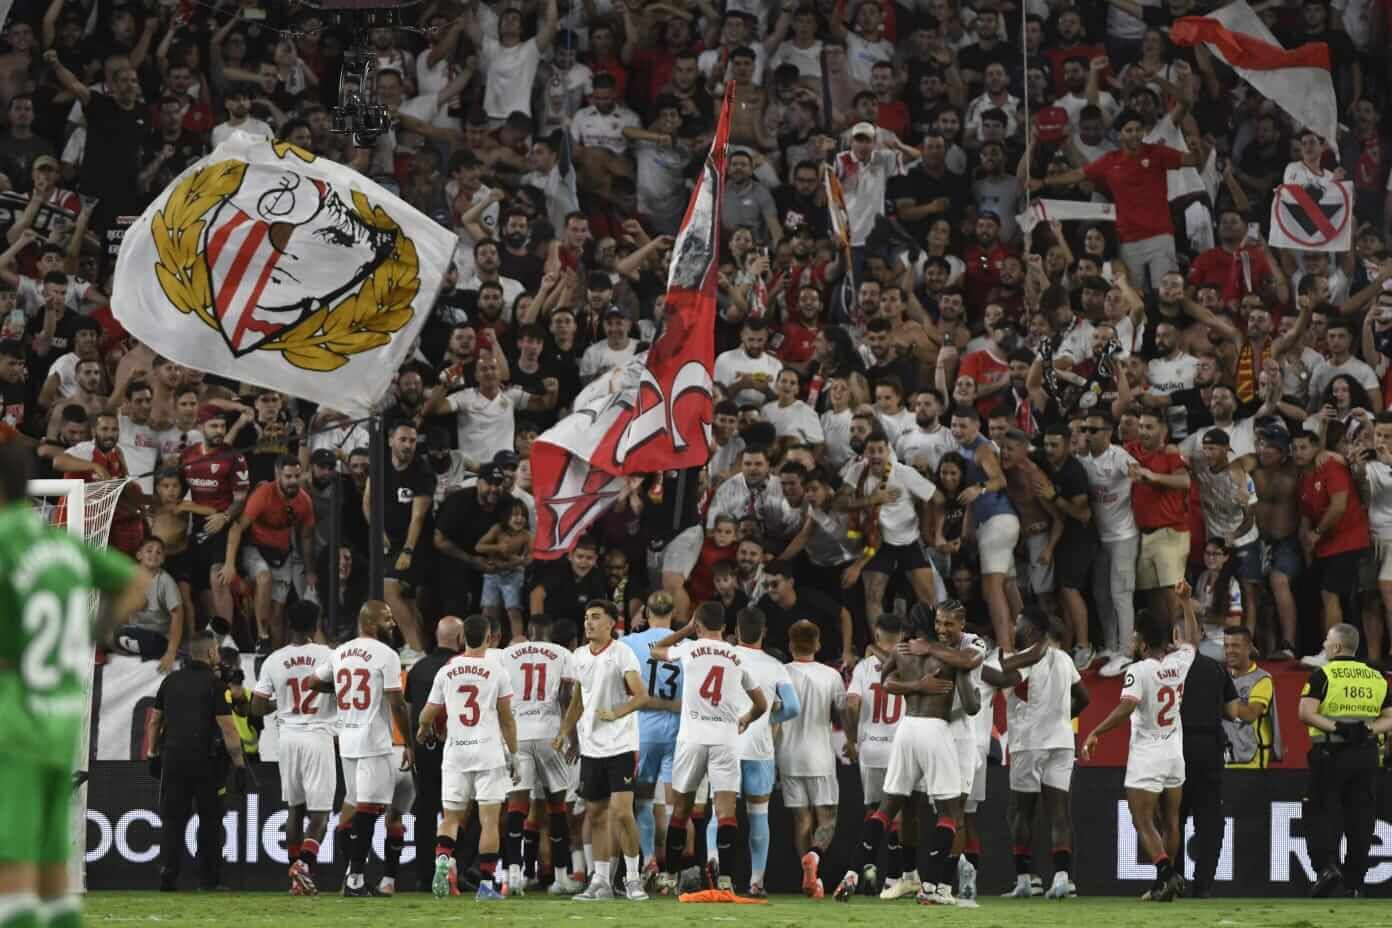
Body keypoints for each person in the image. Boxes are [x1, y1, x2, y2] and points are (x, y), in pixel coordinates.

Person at [0, 443, 145, 921]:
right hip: (63, 710)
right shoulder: (60, 544)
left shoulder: (4, 542)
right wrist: (90, 633)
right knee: (52, 868)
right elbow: (135, 583)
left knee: (14, 871)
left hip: (17, 710)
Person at [835, 605, 976, 907]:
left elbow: (884, 681)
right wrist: (939, 679)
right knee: (950, 813)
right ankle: (931, 886)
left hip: (905, 730)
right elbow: (972, 704)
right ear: (935, 626)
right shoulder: (946, 656)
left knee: (886, 808)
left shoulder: (901, 651)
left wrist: (912, 684)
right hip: (935, 730)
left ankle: (852, 871)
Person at [1082, 584, 1201, 902]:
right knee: (1171, 820)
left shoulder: (1137, 670)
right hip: (1175, 751)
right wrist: (1186, 603)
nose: (1131, 641)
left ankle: (1165, 873)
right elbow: (1192, 641)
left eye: (1134, 636)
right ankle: (1167, 881)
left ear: (1144, 642)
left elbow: (1126, 707)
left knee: (1143, 819)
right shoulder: (1180, 661)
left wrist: (1096, 731)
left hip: (1148, 752)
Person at [647, 602, 767, 897]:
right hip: (725, 739)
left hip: (692, 738)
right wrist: (746, 719)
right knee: (727, 813)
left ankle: (670, 877)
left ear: (698, 625)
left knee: (680, 810)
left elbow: (656, 649)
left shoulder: (688, 648)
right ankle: (726, 881)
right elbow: (761, 704)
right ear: (725, 628)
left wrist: (686, 630)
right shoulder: (738, 656)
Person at [307, 601, 412, 897]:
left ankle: (352, 876)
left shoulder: (339, 652)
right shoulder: (387, 655)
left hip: (347, 739)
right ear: (369, 622)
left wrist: (340, 689)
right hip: (373, 740)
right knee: (369, 809)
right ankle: (354, 878)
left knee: (357, 809)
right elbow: (396, 704)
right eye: (387, 618)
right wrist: (410, 743)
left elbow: (314, 681)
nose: (392, 623)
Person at [554, 599, 653, 901]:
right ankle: (601, 881)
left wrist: (617, 713)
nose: (589, 623)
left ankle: (633, 879)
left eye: (596, 617)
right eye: (586, 617)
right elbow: (578, 701)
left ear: (611, 623)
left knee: (622, 813)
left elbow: (641, 696)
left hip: (622, 744)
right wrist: (564, 733)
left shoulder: (622, 653)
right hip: (592, 747)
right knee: (595, 814)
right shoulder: (579, 655)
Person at [987, 609, 1088, 899]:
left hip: (1028, 742)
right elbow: (1085, 697)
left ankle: (1023, 879)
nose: (1013, 626)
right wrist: (1062, 718)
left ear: (1030, 630)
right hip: (1061, 741)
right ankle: (1062, 878)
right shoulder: (1064, 658)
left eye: (1018, 623)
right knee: (1059, 812)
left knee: (1021, 812)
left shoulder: (1026, 660)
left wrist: (976, 666)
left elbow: (1002, 678)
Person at [419, 613, 519, 900]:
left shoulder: (447, 670)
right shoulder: (497, 671)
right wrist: (514, 754)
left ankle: (442, 859)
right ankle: (487, 886)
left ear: (462, 639)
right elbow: (507, 718)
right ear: (489, 639)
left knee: (451, 817)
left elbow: (429, 713)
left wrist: (423, 728)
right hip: (488, 751)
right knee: (489, 821)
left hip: (456, 751)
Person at [144, 632, 253, 893]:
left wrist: (152, 753)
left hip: (173, 759)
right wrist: (239, 765)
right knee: (210, 821)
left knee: (173, 820)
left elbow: (155, 721)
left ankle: (168, 876)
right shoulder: (215, 686)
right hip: (207, 762)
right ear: (210, 654)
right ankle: (209, 880)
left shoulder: (169, 681)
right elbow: (228, 729)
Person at [248, 601, 337, 896]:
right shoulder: (329, 656)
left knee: (295, 809)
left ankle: (294, 878)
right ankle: (304, 866)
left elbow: (257, 707)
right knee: (321, 813)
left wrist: (283, 703)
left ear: (288, 624)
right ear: (316, 624)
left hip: (287, 738)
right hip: (318, 734)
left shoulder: (274, 660)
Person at [1298, 623, 1392, 898]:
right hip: (1365, 754)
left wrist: (1337, 727)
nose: (1325, 645)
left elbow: (1306, 712)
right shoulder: (1375, 677)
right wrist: (1366, 730)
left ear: (1337, 647)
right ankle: (1354, 883)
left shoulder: (1322, 675)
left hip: (1330, 753)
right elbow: (1390, 716)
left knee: (1320, 813)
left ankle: (1327, 868)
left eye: (1327, 641)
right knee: (1360, 819)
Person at [501, 612, 582, 895]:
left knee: (517, 807)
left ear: (529, 631)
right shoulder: (561, 654)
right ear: (549, 631)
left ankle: (513, 876)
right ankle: (560, 878)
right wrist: (572, 737)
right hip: (550, 735)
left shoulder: (508, 654)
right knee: (557, 807)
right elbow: (565, 697)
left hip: (518, 734)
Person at [777, 620, 848, 898]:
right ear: (817, 644)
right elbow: (843, 713)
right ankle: (815, 858)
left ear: (790, 644)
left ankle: (809, 878)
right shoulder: (830, 676)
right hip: (819, 755)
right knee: (827, 818)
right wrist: (852, 741)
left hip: (788, 755)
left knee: (802, 820)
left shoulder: (780, 673)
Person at [732, 606, 799, 897]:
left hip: (726, 746)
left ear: (735, 631)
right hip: (759, 748)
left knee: (719, 814)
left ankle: (717, 873)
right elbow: (794, 707)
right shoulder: (774, 665)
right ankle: (756, 880)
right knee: (758, 815)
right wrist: (769, 719)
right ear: (764, 632)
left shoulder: (725, 658)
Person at [619, 592, 683, 889]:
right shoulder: (688, 645)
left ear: (644, 611)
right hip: (679, 730)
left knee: (642, 798)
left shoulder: (628, 643)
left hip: (641, 731)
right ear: (677, 611)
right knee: (674, 804)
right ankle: (671, 870)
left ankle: (648, 862)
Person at [221, 455, 316, 652]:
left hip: (282, 554)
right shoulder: (263, 494)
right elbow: (237, 528)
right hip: (255, 548)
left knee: (277, 614)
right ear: (278, 475)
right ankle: (262, 638)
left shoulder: (304, 501)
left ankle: (275, 656)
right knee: (264, 578)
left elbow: (306, 537)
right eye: (288, 476)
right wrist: (229, 563)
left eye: (297, 476)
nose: (293, 481)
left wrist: (310, 569)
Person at [842, 613, 907, 896]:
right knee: (898, 813)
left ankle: (869, 869)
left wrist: (852, 739)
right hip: (899, 746)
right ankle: (893, 877)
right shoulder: (909, 664)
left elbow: (851, 704)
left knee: (873, 809)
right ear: (902, 637)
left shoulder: (865, 668)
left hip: (871, 746)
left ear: (877, 636)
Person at [1177, 625, 1239, 899]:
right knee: (1210, 818)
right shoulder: (1216, 669)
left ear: (1174, 637)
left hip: (1175, 747)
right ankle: (1203, 884)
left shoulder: (1165, 668)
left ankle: (1172, 879)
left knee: (1172, 817)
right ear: (1201, 637)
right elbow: (1233, 711)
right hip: (1209, 748)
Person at [405, 616, 462, 892]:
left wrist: (409, 744)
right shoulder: (459, 668)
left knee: (426, 810)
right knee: (459, 811)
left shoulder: (417, 669)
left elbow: (408, 710)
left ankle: (423, 874)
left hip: (423, 748)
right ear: (460, 638)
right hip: (457, 749)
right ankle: (456, 869)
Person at [1222, 626, 1282, 770]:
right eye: (1226, 646)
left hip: (1251, 763)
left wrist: (1216, 699)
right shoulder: (1221, 676)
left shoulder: (1262, 679)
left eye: (1235, 646)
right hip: (1225, 759)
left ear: (1249, 648)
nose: (1229, 650)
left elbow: (1250, 714)